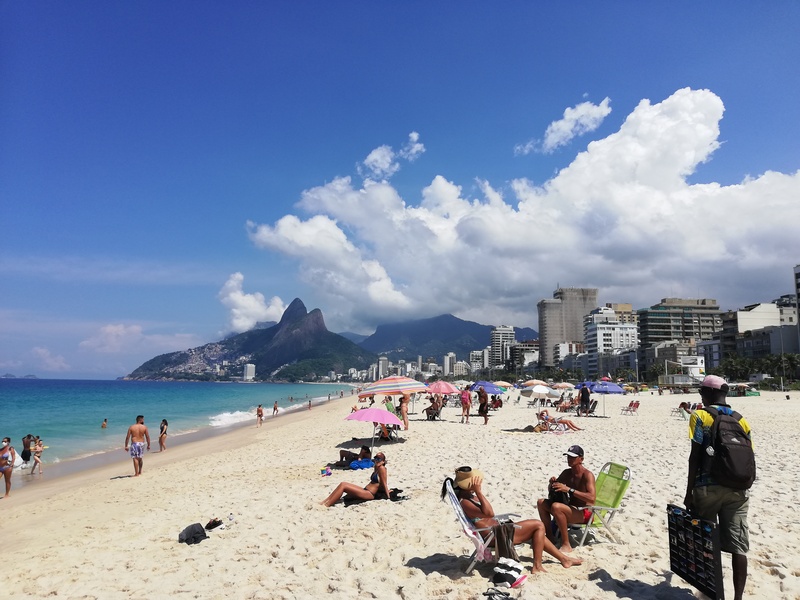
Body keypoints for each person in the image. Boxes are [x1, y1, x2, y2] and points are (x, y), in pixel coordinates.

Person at [684, 375, 752, 600]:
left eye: (702, 391)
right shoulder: (741, 420)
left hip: (707, 487)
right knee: (739, 547)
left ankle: (710, 594)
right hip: (738, 488)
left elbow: (695, 456)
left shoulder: (700, 416)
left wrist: (689, 492)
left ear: (710, 393)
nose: (700, 395)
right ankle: (738, 598)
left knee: (707, 540)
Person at [442, 467, 582, 573]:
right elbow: (490, 513)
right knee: (538, 525)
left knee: (537, 530)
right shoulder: (466, 502)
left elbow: (488, 513)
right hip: (495, 536)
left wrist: (476, 494)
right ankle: (537, 566)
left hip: (496, 531)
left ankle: (564, 559)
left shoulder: (468, 497)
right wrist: (479, 492)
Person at [537, 445, 596, 553]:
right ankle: (550, 538)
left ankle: (566, 544)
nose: (569, 459)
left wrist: (569, 490)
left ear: (581, 459)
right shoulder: (566, 473)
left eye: (573, 457)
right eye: (568, 457)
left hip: (585, 512)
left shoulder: (587, 475)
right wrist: (552, 484)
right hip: (570, 508)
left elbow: (592, 498)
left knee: (556, 507)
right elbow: (553, 490)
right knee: (541, 503)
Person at [321, 452, 390, 507]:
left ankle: (327, 504)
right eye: (375, 458)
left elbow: (384, 483)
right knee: (343, 483)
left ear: (383, 461)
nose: (376, 460)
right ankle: (325, 501)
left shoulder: (382, 468)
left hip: (369, 493)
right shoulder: (376, 467)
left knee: (343, 486)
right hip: (365, 490)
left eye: (379, 459)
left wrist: (388, 496)